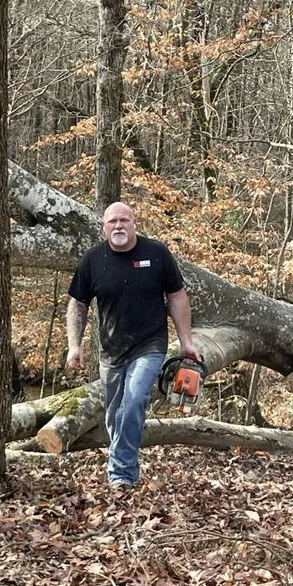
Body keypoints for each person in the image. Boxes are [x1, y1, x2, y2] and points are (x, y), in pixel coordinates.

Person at [66, 201, 203, 493]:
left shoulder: (156, 254)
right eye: (112, 221)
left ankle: (122, 475)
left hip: (150, 345)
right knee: (115, 414)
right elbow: (78, 304)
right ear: (103, 227)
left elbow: (177, 296)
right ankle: (122, 458)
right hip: (111, 351)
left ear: (134, 223)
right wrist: (74, 346)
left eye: (124, 220)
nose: (118, 226)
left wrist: (187, 342)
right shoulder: (92, 260)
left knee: (134, 400)